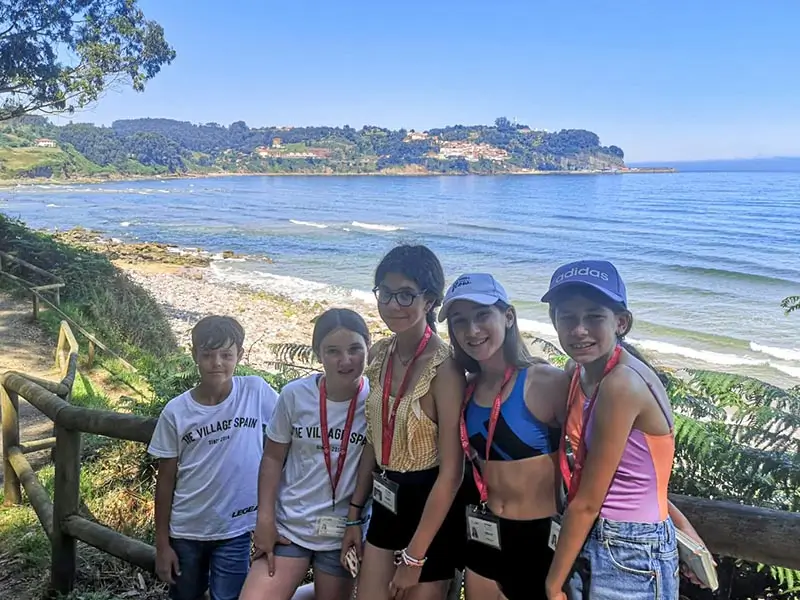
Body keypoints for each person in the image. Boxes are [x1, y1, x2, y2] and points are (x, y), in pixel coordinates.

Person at [539, 260, 710, 600]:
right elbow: (636, 473)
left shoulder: (622, 384)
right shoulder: (579, 369)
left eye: (594, 317)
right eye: (567, 317)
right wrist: (680, 524)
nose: (579, 330)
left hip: (629, 548)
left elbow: (588, 501)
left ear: (621, 322)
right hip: (596, 535)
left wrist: (552, 583)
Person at [341, 244, 467, 600]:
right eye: (385, 293)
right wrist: (354, 514)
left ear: (429, 301)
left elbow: (452, 473)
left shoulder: (445, 368)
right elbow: (373, 439)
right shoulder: (381, 353)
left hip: (431, 510)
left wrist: (414, 557)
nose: (393, 305)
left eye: (406, 295)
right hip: (385, 501)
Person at [438, 273, 569, 600]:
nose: (472, 330)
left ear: (508, 316)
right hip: (485, 535)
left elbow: (604, 460)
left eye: (483, 315)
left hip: (541, 541)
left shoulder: (546, 382)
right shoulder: (466, 388)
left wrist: (677, 521)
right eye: (459, 321)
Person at [239, 308, 372, 600]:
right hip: (289, 528)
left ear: (368, 348)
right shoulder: (295, 395)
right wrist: (264, 520)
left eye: (354, 349)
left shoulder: (375, 403)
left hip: (343, 535)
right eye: (332, 351)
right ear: (318, 354)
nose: (345, 360)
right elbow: (273, 458)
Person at [148, 315, 280, 600]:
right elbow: (165, 480)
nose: (217, 363)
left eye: (226, 355)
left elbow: (289, 423)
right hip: (186, 530)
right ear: (194, 354)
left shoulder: (256, 392)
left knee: (230, 597)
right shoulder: (176, 411)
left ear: (240, 355)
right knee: (185, 596)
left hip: (236, 529)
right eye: (207, 355)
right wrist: (162, 545)